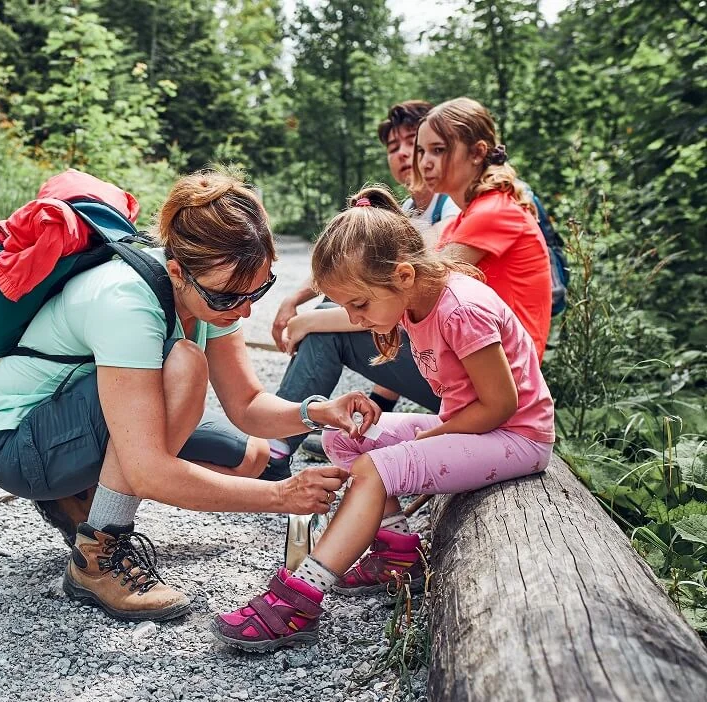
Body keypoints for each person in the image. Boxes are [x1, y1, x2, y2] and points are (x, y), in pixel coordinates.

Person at [0, 168, 380, 623]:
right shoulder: (127, 301)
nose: (244, 310)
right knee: (185, 365)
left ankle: (84, 489)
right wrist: (282, 496)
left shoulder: (214, 291)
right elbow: (148, 472)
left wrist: (319, 412)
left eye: (258, 290)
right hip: (16, 442)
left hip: (74, 421)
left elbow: (246, 405)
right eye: (229, 298)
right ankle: (97, 554)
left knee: (251, 458)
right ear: (177, 271)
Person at [213, 185, 555, 651]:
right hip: (477, 426)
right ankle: (398, 555)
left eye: (359, 304)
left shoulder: (462, 309)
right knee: (346, 436)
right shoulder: (414, 303)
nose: (354, 317)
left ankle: (301, 595)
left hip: (516, 438)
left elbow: (501, 405)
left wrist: (430, 437)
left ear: (404, 275)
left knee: (378, 466)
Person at [265, 101, 456, 476]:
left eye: (414, 144)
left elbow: (413, 301)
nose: (404, 154)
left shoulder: (452, 210)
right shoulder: (408, 209)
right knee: (337, 302)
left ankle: (274, 450)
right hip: (439, 361)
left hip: (472, 375)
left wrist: (307, 322)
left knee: (324, 330)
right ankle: (284, 440)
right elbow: (359, 277)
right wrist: (295, 298)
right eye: (393, 147)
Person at [417, 97, 552, 358]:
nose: (425, 162)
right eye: (421, 151)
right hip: (482, 356)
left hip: (509, 373)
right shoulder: (466, 217)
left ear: (477, 153)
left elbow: (422, 288)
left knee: (333, 336)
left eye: (439, 150)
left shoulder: (493, 211)